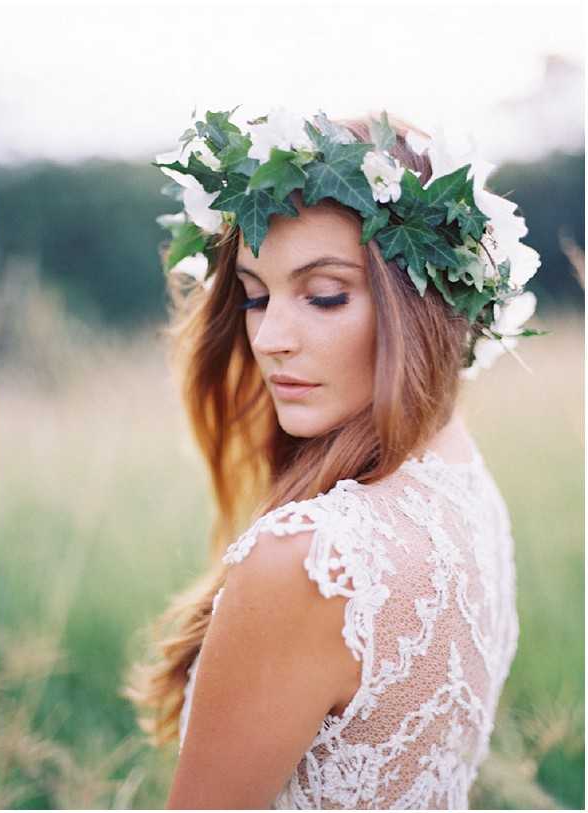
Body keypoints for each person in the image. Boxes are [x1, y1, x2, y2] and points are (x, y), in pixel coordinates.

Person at [124, 108, 541, 809]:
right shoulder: (465, 484)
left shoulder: (311, 561)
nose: (270, 338)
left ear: (423, 304)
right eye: (255, 297)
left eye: (323, 295)